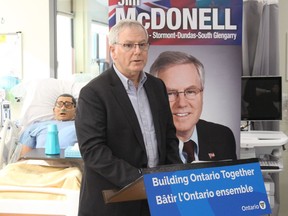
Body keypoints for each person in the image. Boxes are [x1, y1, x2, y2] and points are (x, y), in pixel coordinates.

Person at [75, 20, 182, 216]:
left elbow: (169, 137)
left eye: (142, 44)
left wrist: (173, 177)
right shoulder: (93, 93)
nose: (137, 51)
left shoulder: (157, 86)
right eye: (128, 45)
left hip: (157, 199)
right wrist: (140, 181)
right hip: (114, 202)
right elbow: (93, 151)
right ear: (113, 50)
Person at [150, 51, 237, 163]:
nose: (182, 103)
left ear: (202, 94)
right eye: (170, 93)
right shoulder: (145, 146)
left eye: (190, 91)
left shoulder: (223, 136)